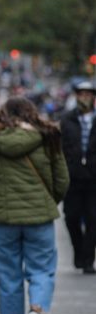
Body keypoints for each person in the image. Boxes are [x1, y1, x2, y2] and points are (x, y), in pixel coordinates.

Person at [0, 97, 69, 314]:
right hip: (39, 217)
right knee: (42, 268)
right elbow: (62, 179)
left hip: (5, 218)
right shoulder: (49, 137)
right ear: (32, 113)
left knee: (9, 274)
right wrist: (49, 201)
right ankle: (35, 309)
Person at [60, 81, 96, 274]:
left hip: (93, 179)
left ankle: (88, 259)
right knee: (71, 218)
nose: (85, 97)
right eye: (81, 94)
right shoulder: (66, 120)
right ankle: (79, 251)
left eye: (88, 94)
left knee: (93, 219)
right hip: (72, 178)